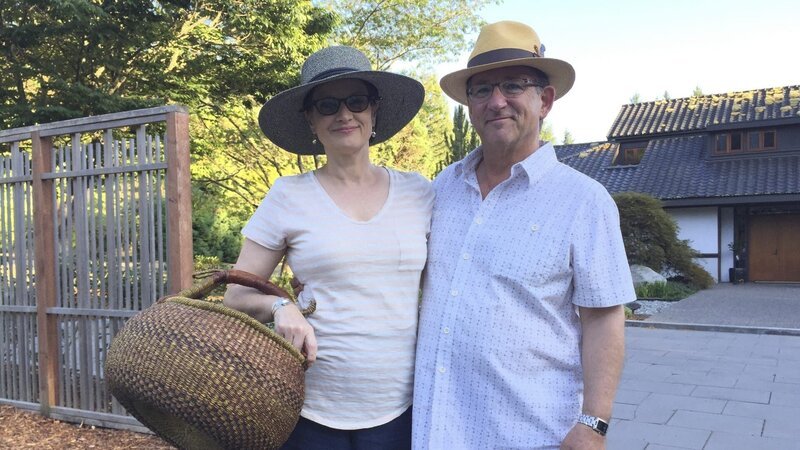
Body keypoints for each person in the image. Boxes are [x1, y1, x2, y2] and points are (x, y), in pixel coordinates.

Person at [412, 21, 636, 450]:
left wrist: (594, 423)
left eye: (513, 85)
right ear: (470, 104)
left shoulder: (584, 201)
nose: (497, 101)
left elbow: (604, 317)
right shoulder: (441, 189)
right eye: (481, 90)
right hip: (436, 428)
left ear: (545, 100)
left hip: (530, 434)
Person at [223, 45, 432, 450]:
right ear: (311, 119)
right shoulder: (288, 195)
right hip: (307, 410)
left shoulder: (419, 193)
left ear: (374, 110)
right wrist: (281, 306)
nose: (344, 114)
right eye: (328, 105)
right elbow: (236, 295)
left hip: (401, 410)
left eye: (356, 101)